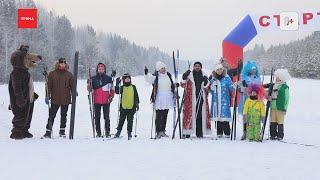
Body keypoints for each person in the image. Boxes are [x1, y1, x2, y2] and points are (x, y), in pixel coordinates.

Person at [8, 45, 42, 139]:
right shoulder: (16, 73)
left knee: (28, 114)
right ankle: (17, 132)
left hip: (28, 97)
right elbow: (17, 88)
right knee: (20, 115)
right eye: (25, 60)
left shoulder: (25, 72)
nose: (28, 62)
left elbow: (28, 86)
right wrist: (19, 98)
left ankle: (24, 130)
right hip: (21, 98)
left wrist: (32, 95)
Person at [43, 58, 74, 138]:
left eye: (64, 63)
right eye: (61, 63)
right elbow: (48, 86)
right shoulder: (52, 74)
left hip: (65, 98)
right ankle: (48, 131)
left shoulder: (69, 75)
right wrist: (47, 95)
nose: (62, 64)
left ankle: (62, 130)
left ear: (65, 64)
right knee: (51, 115)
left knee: (64, 115)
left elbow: (72, 86)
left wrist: (74, 91)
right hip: (55, 99)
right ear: (58, 64)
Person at [144, 61, 175, 139]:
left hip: (168, 97)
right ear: (158, 69)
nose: (163, 69)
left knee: (165, 115)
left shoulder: (168, 75)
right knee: (158, 115)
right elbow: (149, 79)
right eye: (162, 68)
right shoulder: (156, 76)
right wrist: (146, 74)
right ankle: (158, 131)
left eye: (164, 68)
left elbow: (172, 84)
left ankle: (163, 131)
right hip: (159, 97)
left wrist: (175, 85)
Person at [181, 62, 211, 138]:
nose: (197, 67)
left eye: (199, 66)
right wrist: (184, 76)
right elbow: (182, 84)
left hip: (201, 98)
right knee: (188, 115)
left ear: (201, 67)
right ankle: (187, 131)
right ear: (193, 67)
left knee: (199, 115)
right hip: (190, 99)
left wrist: (206, 81)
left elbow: (207, 87)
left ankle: (199, 132)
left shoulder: (204, 75)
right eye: (196, 66)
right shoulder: (189, 75)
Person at [87, 63, 115, 137]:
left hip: (106, 100)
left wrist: (111, 97)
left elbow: (112, 89)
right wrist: (89, 84)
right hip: (96, 100)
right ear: (97, 70)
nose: (101, 70)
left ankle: (107, 132)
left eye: (102, 69)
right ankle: (98, 132)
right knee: (97, 117)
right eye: (99, 69)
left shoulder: (108, 78)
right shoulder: (93, 78)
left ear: (104, 70)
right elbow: (89, 89)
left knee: (106, 117)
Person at [238, 61, 262, 140]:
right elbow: (240, 88)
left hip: (256, 101)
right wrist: (243, 86)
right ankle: (245, 132)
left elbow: (260, 89)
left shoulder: (258, 78)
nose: (254, 71)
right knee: (245, 117)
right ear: (248, 69)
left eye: (255, 69)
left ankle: (255, 133)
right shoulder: (245, 78)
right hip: (246, 100)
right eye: (252, 69)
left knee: (255, 117)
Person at [209, 63, 233, 138]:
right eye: (218, 70)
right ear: (216, 71)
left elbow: (231, 88)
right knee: (218, 117)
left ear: (223, 70)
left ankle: (227, 132)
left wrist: (233, 89)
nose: (219, 71)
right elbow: (210, 90)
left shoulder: (227, 78)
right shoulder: (213, 79)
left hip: (224, 100)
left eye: (221, 69)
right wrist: (212, 86)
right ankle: (219, 132)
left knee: (225, 117)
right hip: (216, 100)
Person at [114, 74, 139, 140]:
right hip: (123, 107)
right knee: (121, 120)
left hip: (131, 107)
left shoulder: (133, 87)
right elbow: (117, 92)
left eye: (128, 78)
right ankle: (118, 132)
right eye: (126, 79)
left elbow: (136, 96)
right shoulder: (122, 87)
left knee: (130, 121)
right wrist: (117, 84)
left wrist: (137, 104)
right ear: (123, 80)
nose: (127, 80)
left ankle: (129, 133)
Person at [268, 69, 290, 140]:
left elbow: (286, 99)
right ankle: (273, 135)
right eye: (276, 78)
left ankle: (280, 135)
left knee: (280, 122)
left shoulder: (284, 87)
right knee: (273, 121)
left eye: (279, 78)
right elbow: (268, 93)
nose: (277, 79)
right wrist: (268, 97)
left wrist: (285, 108)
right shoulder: (273, 85)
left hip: (280, 108)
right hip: (273, 107)